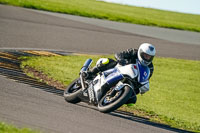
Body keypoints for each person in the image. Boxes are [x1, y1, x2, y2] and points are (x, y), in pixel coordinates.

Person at [85, 43, 156, 104]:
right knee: (108, 61)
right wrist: (121, 60)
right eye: (145, 55)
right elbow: (118, 54)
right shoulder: (133, 52)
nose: (147, 58)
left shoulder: (150, 67)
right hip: (119, 69)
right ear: (140, 52)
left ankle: (116, 99)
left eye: (149, 57)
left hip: (131, 80)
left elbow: (145, 79)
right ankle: (90, 73)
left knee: (133, 100)